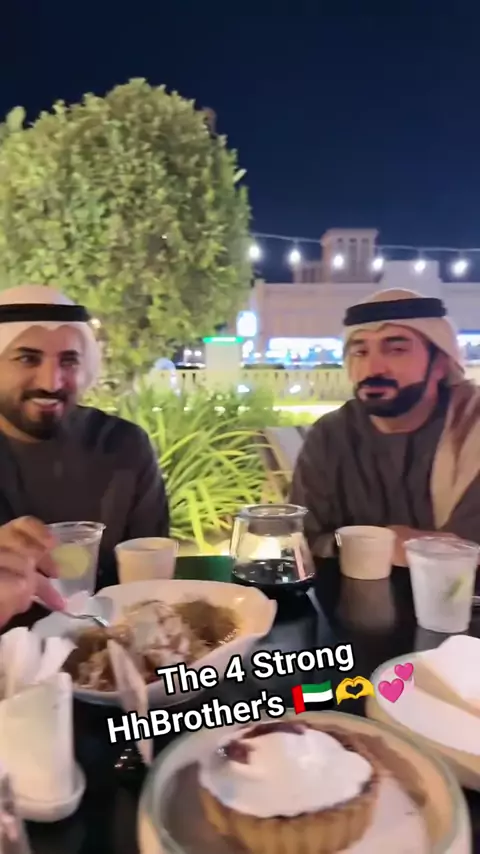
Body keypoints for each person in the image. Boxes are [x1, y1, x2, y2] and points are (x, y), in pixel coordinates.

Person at [0, 284, 170, 613]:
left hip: (107, 636)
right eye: (27, 359)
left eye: (69, 361)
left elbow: (148, 578)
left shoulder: (124, 447)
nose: (51, 382)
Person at [290, 288, 480, 566]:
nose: (373, 368)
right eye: (360, 352)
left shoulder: (472, 431)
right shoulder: (331, 435)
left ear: (440, 364)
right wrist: (377, 545)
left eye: (397, 350)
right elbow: (301, 540)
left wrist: (418, 549)